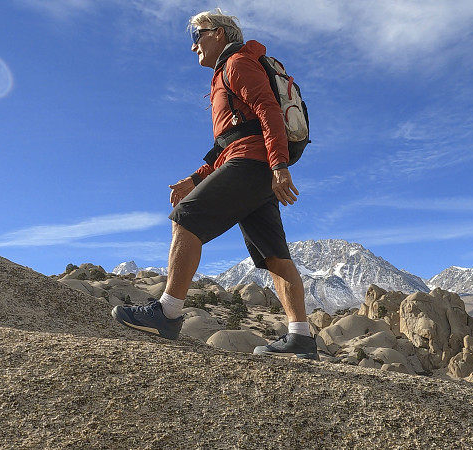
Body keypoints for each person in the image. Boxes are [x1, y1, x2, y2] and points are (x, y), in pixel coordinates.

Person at [111, 9, 318, 360]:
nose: (193, 46)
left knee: (186, 218)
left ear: (219, 34)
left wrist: (279, 164)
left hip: (254, 164)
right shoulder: (229, 70)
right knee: (275, 256)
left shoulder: (236, 63)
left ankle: (168, 313)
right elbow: (231, 142)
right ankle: (301, 338)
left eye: (197, 36)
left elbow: (268, 110)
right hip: (255, 165)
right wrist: (195, 178)